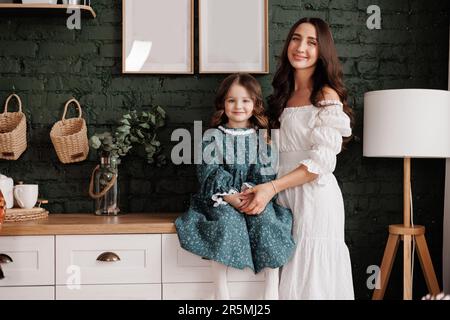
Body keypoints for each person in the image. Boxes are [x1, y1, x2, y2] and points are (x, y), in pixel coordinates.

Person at [239, 18, 355, 299]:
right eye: (295, 38)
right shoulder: (283, 96)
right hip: (282, 195)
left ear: (322, 50)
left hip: (314, 199)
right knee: (285, 275)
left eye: (311, 42)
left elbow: (321, 163)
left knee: (310, 278)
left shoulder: (326, 95)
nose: (300, 47)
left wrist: (272, 188)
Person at [175, 73, 295, 300]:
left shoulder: (263, 138)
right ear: (223, 103)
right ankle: (220, 288)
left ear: (255, 104)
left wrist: (252, 193)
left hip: (255, 194)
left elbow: (266, 171)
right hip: (219, 198)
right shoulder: (213, 137)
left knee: (267, 220)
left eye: (246, 100)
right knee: (226, 222)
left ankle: (270, 286)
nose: (238, 106)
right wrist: (229, 195)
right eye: (232, 100)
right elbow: (208, 171)